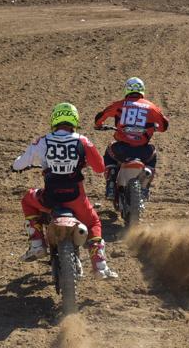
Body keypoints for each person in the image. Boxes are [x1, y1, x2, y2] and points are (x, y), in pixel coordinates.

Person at [13, 103, 117, 278]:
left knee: (28, 199)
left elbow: (20, 163)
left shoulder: (43, 140)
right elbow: (100, 168)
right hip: (76, 198)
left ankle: (37, 243)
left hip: (50, 198)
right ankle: (99, 265)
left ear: (54, 119)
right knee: (93, 223)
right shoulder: (82, 141)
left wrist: (15, 166)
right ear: (74, 120)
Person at [93, 77, 170, 200]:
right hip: (144, 152)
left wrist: (99, 125)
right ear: (142, 90)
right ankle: (145, 187)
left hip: (121, 150)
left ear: (126, 90)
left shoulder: (119, 105)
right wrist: (155, 128)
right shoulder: (151, 107)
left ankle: (111, 184)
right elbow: (164, 125)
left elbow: (100, 117)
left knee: (109, 151)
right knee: (153, 154)